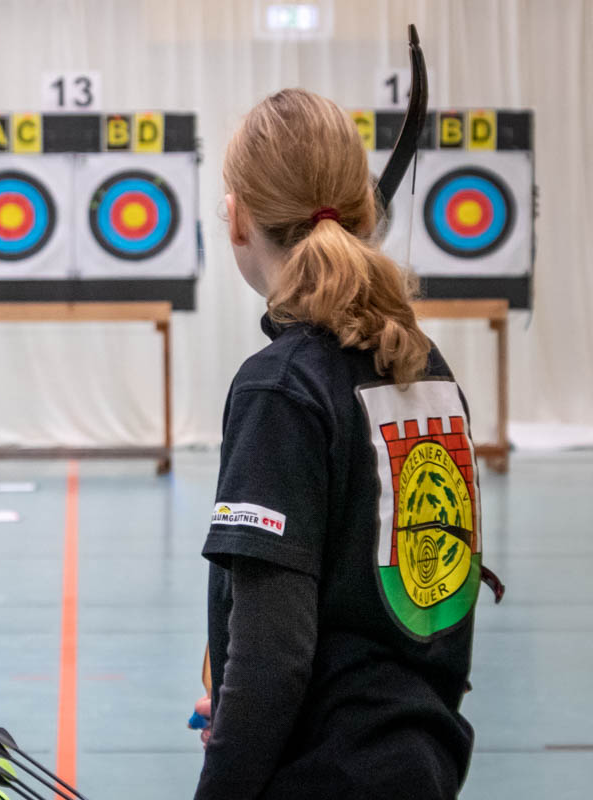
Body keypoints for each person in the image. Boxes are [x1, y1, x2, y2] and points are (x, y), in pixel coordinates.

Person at [195, 89, 482, 799]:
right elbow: (430, 604)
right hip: (423, 766)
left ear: (237, 218)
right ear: (361, 211)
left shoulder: (279, 389)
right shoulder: (425, 364)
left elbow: (271, 661)